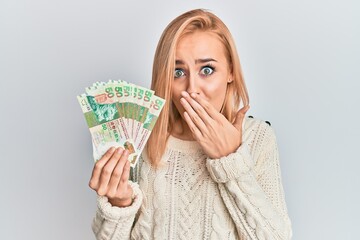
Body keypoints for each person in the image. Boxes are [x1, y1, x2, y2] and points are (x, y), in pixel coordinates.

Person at [89, 9, 293, 240]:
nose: (192, 88)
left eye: (207, 70)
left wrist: (230, 161)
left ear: (231, 72)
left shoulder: (258, 137)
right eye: (178, 72)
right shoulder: (139, 137)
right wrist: (119, 204)